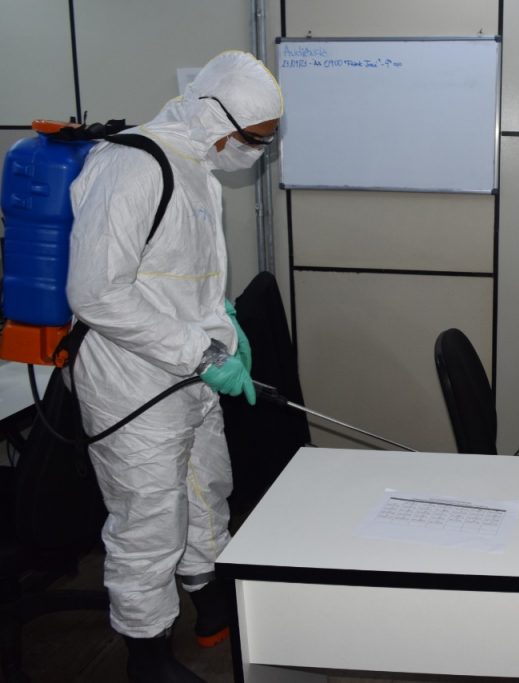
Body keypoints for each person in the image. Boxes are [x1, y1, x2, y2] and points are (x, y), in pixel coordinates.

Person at [65, 50, 283, 683]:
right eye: (252, 140)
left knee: (205, 488)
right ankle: (147, 651)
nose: (256, 153)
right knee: (149, 520)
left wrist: (227, 324)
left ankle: (208, 600)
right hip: (132, 382)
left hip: (190, 371)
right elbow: (96, 294)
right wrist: (201, 353)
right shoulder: (133, 166)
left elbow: (184, 274)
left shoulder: (198, 167)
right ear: (213, 115)